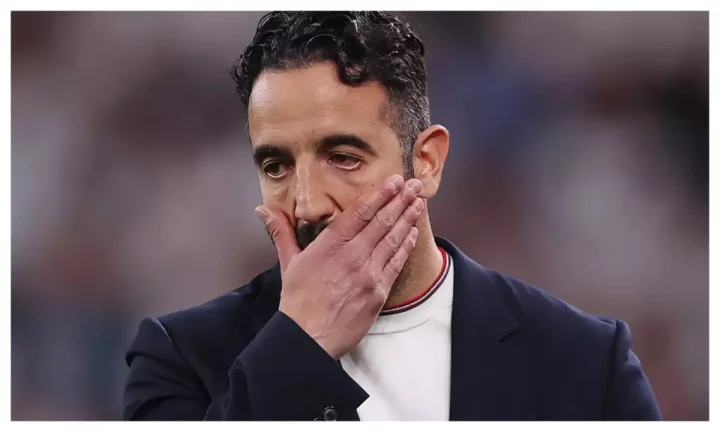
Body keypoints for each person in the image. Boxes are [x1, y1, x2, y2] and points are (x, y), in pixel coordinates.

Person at [122, 11, 662, 421]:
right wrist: (298, 345)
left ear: (426, 162)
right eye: (276, 165)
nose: (307, 204)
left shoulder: (584, 361)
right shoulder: (179, 358)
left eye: (343, 157)